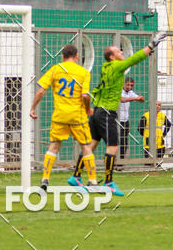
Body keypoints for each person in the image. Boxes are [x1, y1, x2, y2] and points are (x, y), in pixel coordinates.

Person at [71, 33, 166, 195]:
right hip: (107, 113)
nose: (122, 52)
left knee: (92, 145)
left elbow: (100, 88)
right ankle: (109, 182)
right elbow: (134, 59)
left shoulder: (106, 68)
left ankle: (76, 176)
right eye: (119, 51)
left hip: (98, 111)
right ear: (112, 57)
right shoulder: (116, 66)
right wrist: (152, 45)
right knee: (113, 146)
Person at [29, 43, 98, 192]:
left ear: (62, 56)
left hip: (59, 116)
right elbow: (85, 95)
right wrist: (87, 109)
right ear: (77, 56)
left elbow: (41, 91)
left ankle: (45, 178)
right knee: (86, 146)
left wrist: (33, 107)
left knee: (53, 146)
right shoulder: (83, 72)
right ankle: (92, 180)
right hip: (77, 117)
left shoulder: (55, 70)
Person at [118, 77, 144, 162]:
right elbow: (122, 100)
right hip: (117, 121)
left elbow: (141, 100)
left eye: (131, 85)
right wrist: (135, 99)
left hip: (126, 121)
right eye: (128, 84)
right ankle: (115, 161)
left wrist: (140, 98)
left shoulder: (131, 93)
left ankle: (120, 161)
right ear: (124, 84)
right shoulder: (119, 91)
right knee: (118, 142)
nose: (129, 87)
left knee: (124, 143)